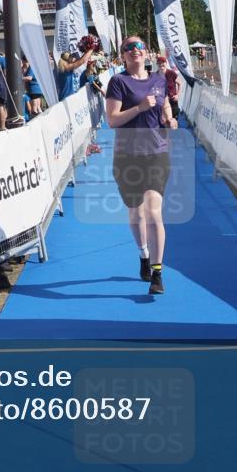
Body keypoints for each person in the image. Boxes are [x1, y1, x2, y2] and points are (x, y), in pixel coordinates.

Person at [105, 36, 178, 296]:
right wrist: (138, 108)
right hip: (127, 157)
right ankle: (143, 255)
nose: (135, 50)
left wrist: (169, 119)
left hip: (156, 154)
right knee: (136, 214)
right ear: (123, 56)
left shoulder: (158, 80)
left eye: (139, 47)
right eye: (129, 48)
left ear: (146, 53)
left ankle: (157, 273)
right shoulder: (118, 82)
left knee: (152, 212)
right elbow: (112, 120)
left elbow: (164, 106)